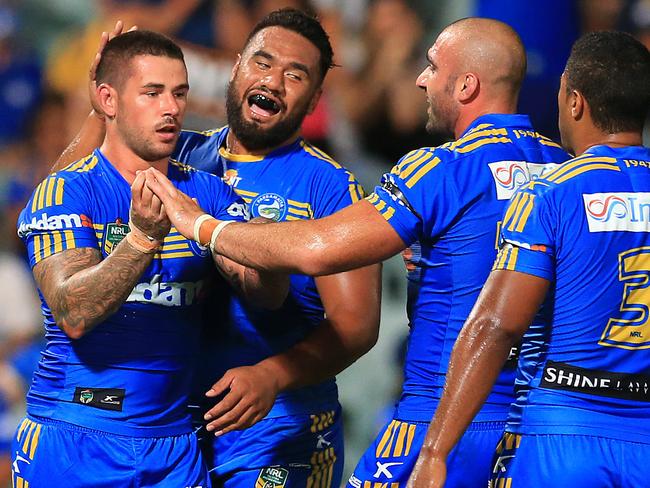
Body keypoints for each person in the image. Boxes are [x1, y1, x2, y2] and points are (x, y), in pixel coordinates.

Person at [143, 17, 571, 487]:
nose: (420, 79)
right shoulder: (568, 172)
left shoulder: (431, 169)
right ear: (238, 67)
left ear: (466, 85)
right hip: (541, 424)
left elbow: (319, 253)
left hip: (429, 415)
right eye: (263, 63)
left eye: (431, 67)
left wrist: (203, 225)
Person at [52, 10, 381, 488]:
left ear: (314, 100)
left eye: (296, 75)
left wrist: (272, 376)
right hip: (172, 424)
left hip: (275, 427)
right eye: (263, 63)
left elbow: (357, 326)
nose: (275, 81)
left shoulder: (329, 185)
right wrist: (107, 104)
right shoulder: (179, 153)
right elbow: (67, 193)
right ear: (235, 68)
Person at [11, 30, 286, 487]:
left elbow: (270, 294)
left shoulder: (208, 194)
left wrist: (232, 234)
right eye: (152, 93)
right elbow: (74, 311)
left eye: (180, 93)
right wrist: (141, 239)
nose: (172, 108)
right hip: (75, 440)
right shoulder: (66, 190)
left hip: (174, 450)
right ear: (108, 101)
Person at [405, 31, 650, 488]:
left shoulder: (550, 191)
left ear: (574, 101)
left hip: (562, 435)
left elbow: (495, 326)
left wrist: (436, 450)